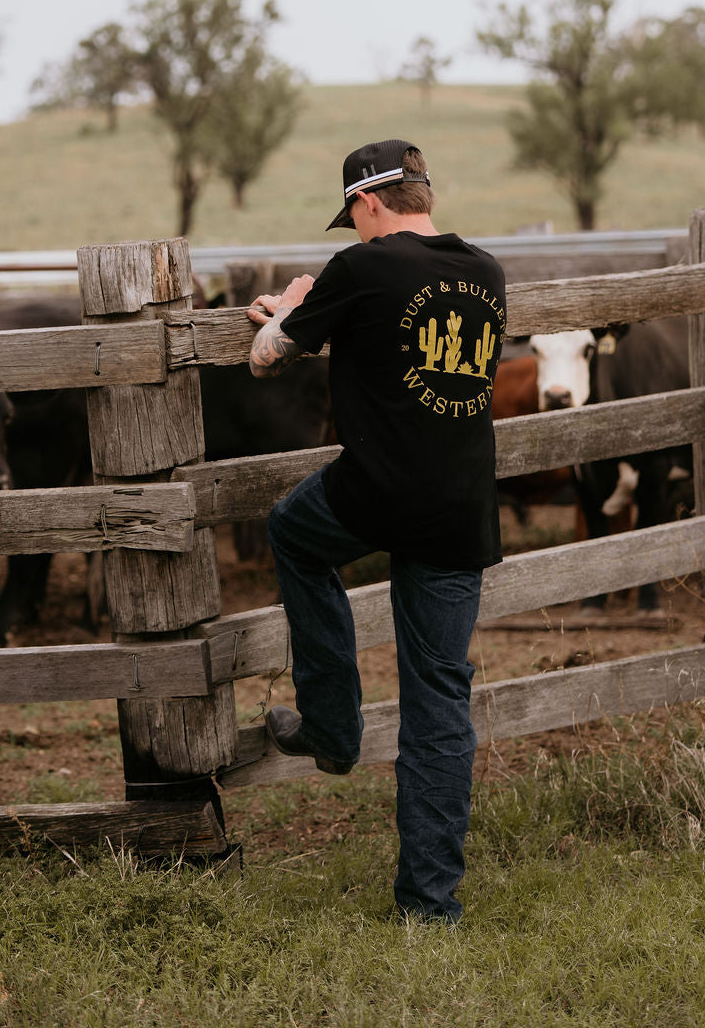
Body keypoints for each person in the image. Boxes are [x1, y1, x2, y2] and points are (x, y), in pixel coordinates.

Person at [247, 138, 506, 922]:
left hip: (375, 494)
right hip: (462, 508)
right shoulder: (487, 272)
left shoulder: (360, 268)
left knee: (293, 534)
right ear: (423, 193)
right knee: (439, 700)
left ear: (368, 202)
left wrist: (292, 307)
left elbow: (267, 357)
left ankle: (331, 726)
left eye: (352, 217)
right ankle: (430, 907)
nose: (354, 231)